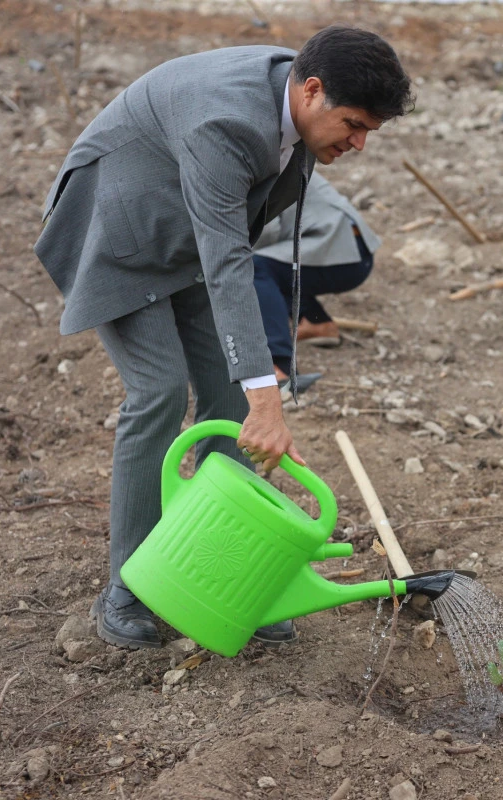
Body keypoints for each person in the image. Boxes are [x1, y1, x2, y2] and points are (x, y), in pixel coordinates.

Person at [33, 27, 414, 650]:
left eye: (371, 130)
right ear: (312, 91)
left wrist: (255, 392)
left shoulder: (296, 102)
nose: (360, 143)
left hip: (184, 236)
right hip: (120, 231)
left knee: (227, 398)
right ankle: (127, 585)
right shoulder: (225, 121)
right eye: (353, 124)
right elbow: (228, 256)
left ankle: (223, 568)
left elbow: (228, 246)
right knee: (158, 393)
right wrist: (270, 396)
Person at [252, 172, 381, 386]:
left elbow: (265, 231)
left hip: (341, 250)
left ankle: (279, 368)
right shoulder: (277, 153)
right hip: (354, 249)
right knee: (276, 266)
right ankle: (317, 322)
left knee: (256, 268)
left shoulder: (256, 166)